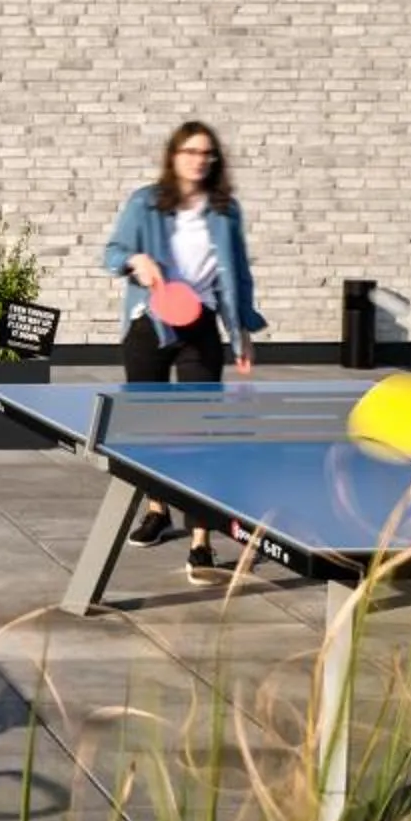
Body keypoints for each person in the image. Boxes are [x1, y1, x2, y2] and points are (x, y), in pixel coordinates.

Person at [102, 120, 269, 577]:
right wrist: (135, 260)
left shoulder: (225, 210)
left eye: (207, 153)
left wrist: (243, 331)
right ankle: (158, 510)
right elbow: (111, 253)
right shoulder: (145, 202)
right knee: (151, 428)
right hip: (150, 324)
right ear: (174, 155)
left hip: (200, 324)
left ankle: (201, 540)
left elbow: (237, 275)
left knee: (200, 431)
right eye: (191, 151)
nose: (200, 159)